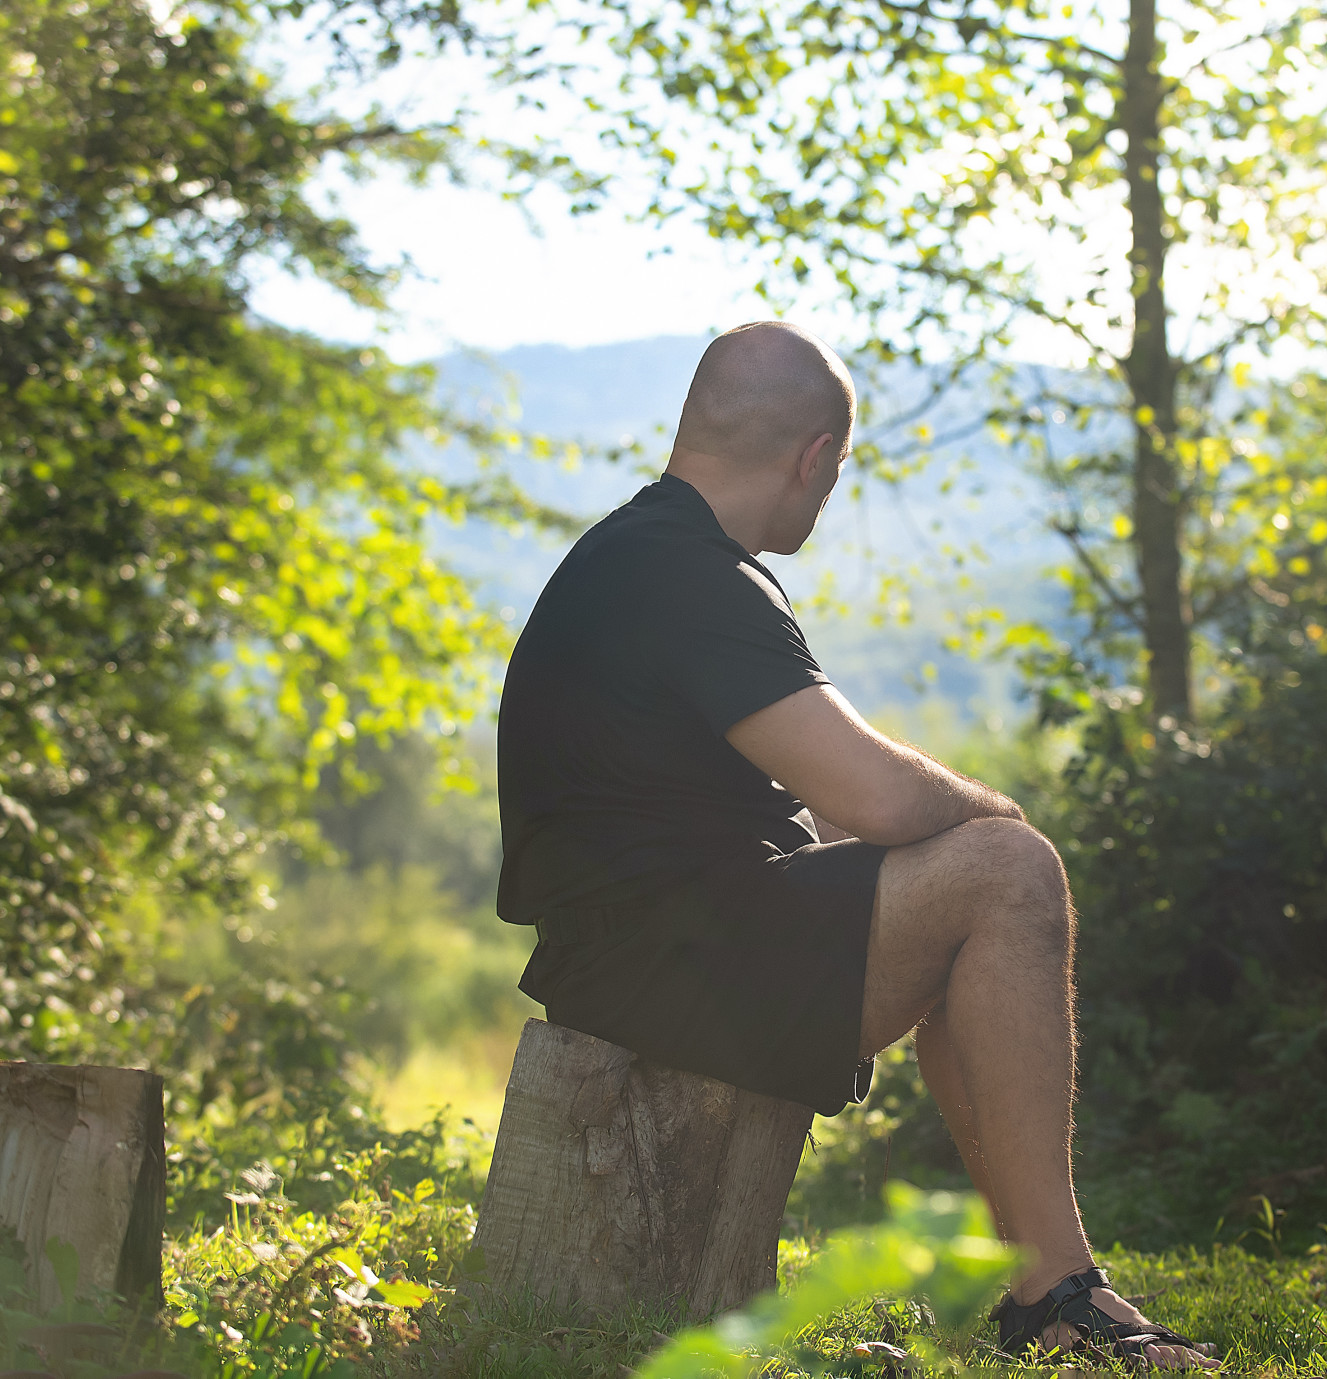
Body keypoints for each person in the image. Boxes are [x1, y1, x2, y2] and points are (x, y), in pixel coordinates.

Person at [496, 321, 1219, 1368]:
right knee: (1009, 871)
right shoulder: (690, 576)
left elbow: (822, 799)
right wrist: (998, 825)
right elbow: (875, 792)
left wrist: (940, 865)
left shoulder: (650, 555)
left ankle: (1044, 1287)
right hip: (667, 969)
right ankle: (1060, 1297)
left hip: (652, 951)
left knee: (970, 898)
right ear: (816, 457)